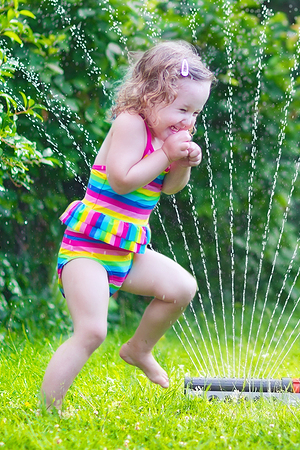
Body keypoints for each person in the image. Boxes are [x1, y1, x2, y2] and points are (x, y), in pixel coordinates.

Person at [40, 40, 214, 411]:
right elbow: (121, 179)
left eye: (196, 113)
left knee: (182, 288)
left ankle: (139, 348)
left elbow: (169, 188)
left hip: (128, 250)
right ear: (152, 94)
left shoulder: (167, 137)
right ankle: (48, 409)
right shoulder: (131, 123)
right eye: (183, 108)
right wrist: (166, 154)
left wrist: (182, 162)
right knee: (91, 331)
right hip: (87, 248)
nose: (189, 121)